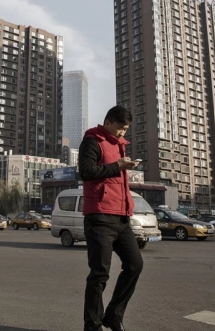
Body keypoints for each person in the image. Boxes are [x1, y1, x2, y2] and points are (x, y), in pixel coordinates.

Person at [78, 105, 143, 331]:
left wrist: (123, 165)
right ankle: (93, 326)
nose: (123, 132)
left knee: (135, 265)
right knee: (99, 274)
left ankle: (114, 316)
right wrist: (117, 166)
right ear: (108, 122)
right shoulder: (92, 141)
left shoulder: (119, 145)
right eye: (120, 128)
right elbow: (86, 171)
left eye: (126, 129)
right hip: (99, 216)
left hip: (121, 217)